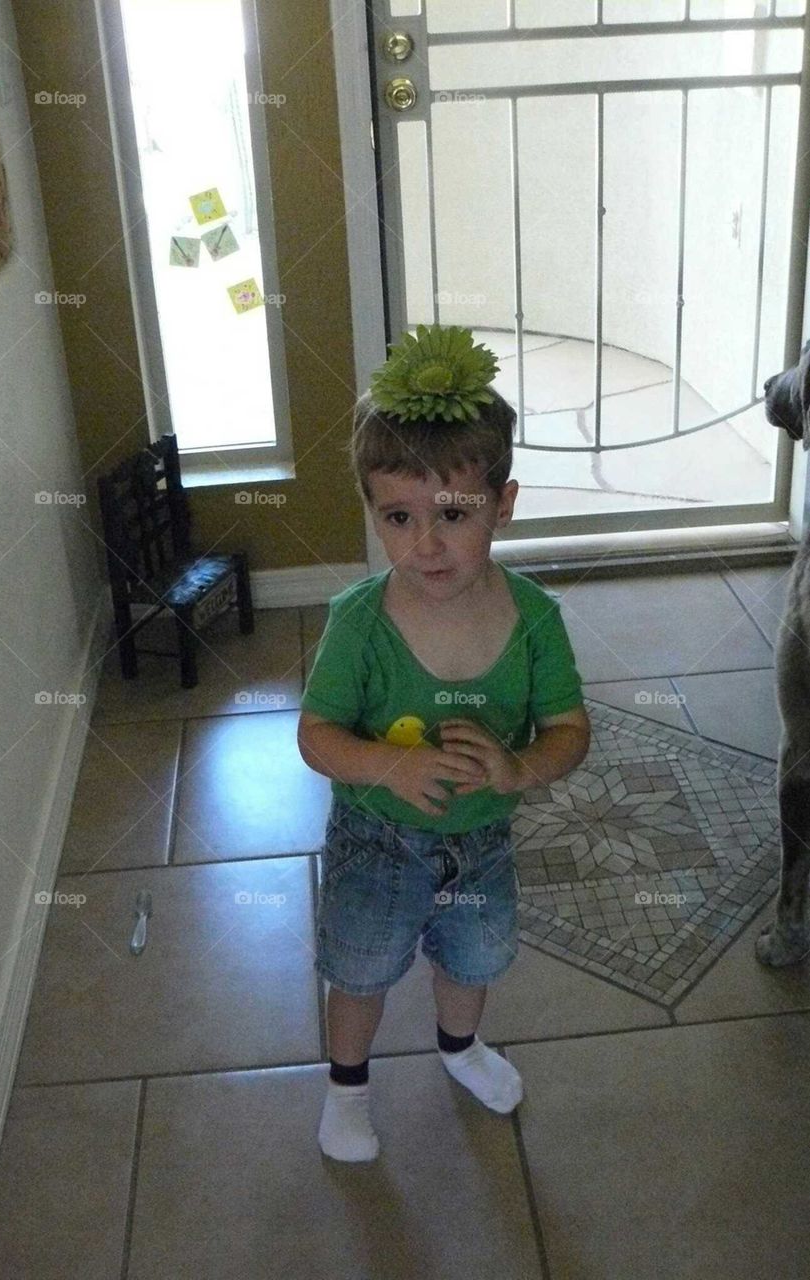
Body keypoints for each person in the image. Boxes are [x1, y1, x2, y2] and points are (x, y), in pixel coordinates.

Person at [297, 325, 590, 1161]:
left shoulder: (534, 621)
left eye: (452, 514)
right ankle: (346, 1086)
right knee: (357, 968)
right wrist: (389, 761)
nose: (424, 542)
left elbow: (569, 729)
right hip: (374, 843)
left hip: (482, 841)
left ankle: (459, 1050)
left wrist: (520, 765)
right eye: (399, 516)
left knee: (474, 956)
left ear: (503, 503)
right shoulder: (359, 623)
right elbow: (316, 734)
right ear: (373, 512)